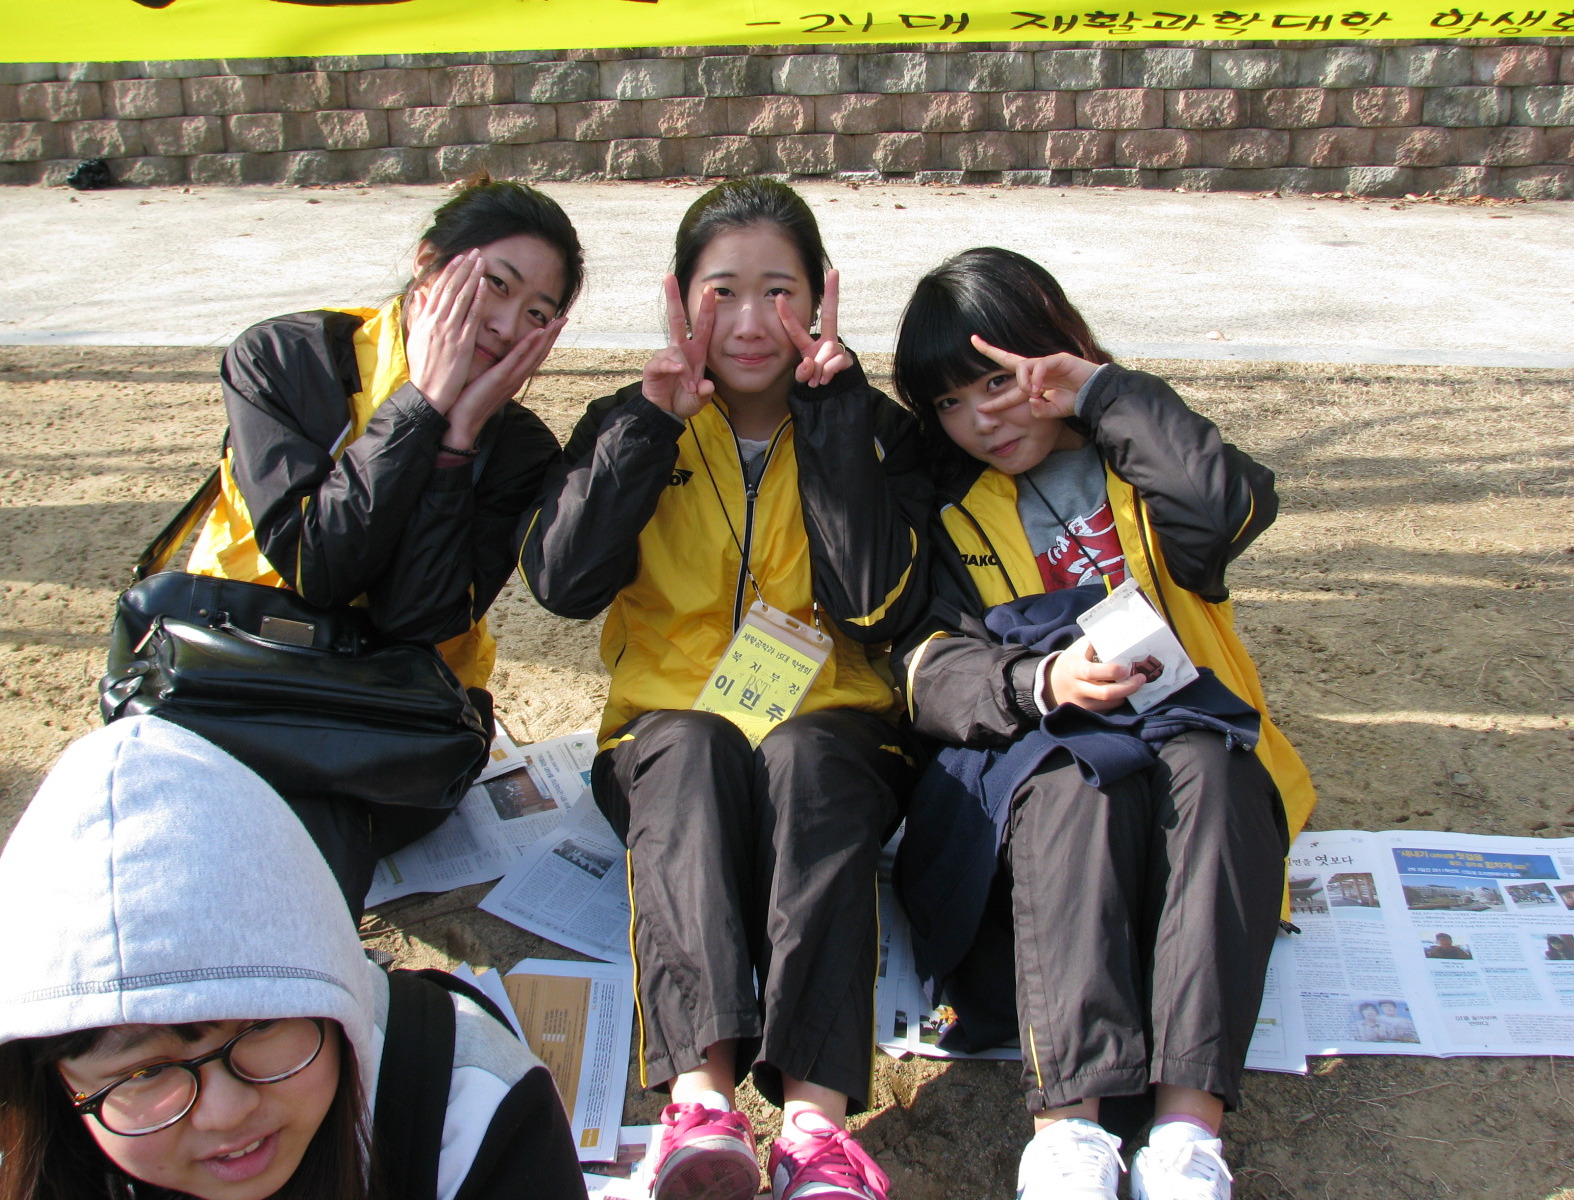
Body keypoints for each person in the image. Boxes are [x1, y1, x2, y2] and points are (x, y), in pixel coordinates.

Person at [518, 178, 929, 1200]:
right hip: (666, 736)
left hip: (833, 730)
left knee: (806, 757)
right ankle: (700, 1110)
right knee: (693, 746)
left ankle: (816, 1132)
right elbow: (563, 583)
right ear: (679, 296)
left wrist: (831, 423)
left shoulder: (873, 426)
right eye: (723, 291)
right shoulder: (627, 419)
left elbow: (875, 608)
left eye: (778, 291)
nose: (750, 324)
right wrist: (650, 427)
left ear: (819, 298)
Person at [890, 247, 1317, 1200]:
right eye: (951, 402)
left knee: (1214, 771)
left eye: (998, 381)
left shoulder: (1138, 462)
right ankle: (1069, 1136)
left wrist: (1100, 391)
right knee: (1077, 784)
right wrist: (1041, 679)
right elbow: (926, 668)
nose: (982, 419)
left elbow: (1226, 508)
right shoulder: (949, 505)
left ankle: (1186, 1138)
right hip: (1039, 756)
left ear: (1053, 354)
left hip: (1186, 726)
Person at [184, 173, 584, 910]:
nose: (504, 326)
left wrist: (456, 445)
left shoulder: (521, 448)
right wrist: (421, 405)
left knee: (316, 814)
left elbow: (416, 622)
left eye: (536, 313)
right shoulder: (284, 359)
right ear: (429, 262)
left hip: (393, 722)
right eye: (494, 285)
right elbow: (317, 565)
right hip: (245, 672)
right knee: (271, 815)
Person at [0, 716, 587, 1200]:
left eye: (262, 1026)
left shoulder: (472, 1114)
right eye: (145, 1073)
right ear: (49, 1081)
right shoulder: (8, 1152)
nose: (227, 1113)